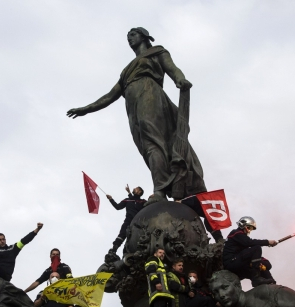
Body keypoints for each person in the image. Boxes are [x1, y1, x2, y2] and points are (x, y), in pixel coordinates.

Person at [67, 27, 206, 200]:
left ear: (145, 37)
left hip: (150, 95)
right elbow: (111, 95)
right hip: (132, 106)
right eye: (127, 36)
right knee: (146, 146)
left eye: (133, 35)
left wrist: (180, 79)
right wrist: (86, 109)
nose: (129, 38)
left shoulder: (157, 51)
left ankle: (160, 191)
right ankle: (161, 187)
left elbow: (173, 69)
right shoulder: (126, 71)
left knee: (154, 141)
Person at [222, 216, 278, 287]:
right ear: (242, 225)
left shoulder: (242, 240)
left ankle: (272, 284)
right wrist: (267, 242)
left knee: (264, 264)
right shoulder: (236, 233)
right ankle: (256, 278)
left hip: (239, 262)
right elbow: (250, 242)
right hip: (231, 262)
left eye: (251, 229)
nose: (249, 230)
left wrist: (263, 264)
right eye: (249, 228)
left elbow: (249, 249)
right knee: (256, 248)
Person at [106, 184, 145, 253]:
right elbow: (118, 207)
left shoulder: (143, 201)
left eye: (136, 188)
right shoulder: (127, 200)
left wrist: (152, 198)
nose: (134, 188)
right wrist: (111, 199)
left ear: (140, 192)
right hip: (128, 221)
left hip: (138, 223)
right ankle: (114, 249)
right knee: (122, 234)